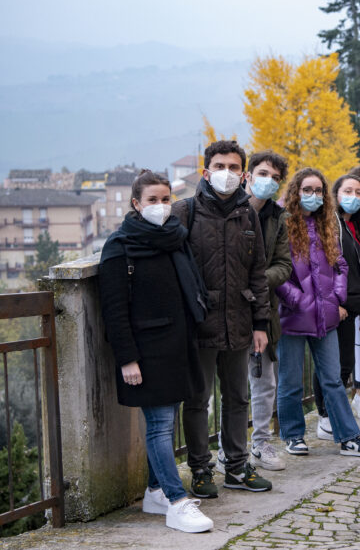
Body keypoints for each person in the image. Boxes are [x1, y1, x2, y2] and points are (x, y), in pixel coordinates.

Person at [99, 170, 213, 533]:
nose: (161, 206)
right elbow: (114, 309)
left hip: (179, 345)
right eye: (152, 200)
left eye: (166, 199)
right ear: (136, 203)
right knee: (160, 426)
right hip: (147, 351)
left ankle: (154, 491)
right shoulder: (120, 246)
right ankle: (178, 502)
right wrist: (127, 358)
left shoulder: (175, 238)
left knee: (167, 421)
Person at [171, 140, 273, 498]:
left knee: (237, 398)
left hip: (240, 323)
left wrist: (261, 323)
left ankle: (237, 466)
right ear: (205, 171)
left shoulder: (249, 216)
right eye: (219, 166)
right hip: (199, 324)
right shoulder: (186, 212)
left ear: (243, 174)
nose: (225, 174)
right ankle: (200, 470)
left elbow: (258, 271)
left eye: (233, 167)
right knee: (198, 400)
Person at [275, 168, 360, 459]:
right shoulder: (283, 225)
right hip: (293, 316)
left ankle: (348, 437)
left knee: (333, 379)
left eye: (318, 190)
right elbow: (276, 271)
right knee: (291, 380)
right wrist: (298, 300)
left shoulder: (326, 225)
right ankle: (293, 435)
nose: (313, 196)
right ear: (296, 192)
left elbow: (341, 265)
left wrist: (336, 297)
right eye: (307, 190)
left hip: (325, 316)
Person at [236, 150, 293, 473]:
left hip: (263, 311)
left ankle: (260, 442)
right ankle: (229, 449)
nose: (268, 181)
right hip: (226, 311)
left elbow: (283, 265)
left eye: (274, 177)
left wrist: (255, 282)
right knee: (230, 384)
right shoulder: (230, 210)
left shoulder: (277, 218)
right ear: (248, 175)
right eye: (262, 173)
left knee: (264, 381)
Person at [313, 174, 360, 443]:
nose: (353, 196)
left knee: (344, 364)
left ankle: (333, 415)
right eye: (347, 191)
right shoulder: (331, 225)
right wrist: (334, 301)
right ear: (335, 195)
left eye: (359, 192)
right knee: (331, 366)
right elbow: (327, 267)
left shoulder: (355, 226)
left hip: (352, 306)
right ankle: (325, 417)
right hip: (334, 306)